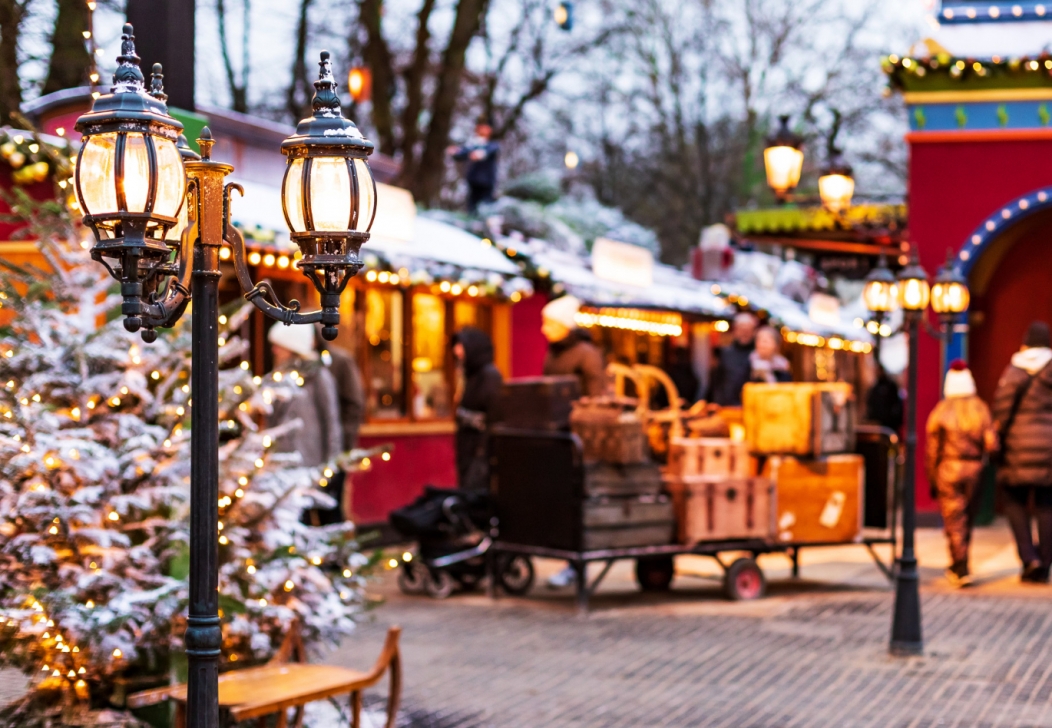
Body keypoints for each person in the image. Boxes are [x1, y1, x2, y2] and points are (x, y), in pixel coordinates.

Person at [925, 360, 995, 587]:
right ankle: (961, 562)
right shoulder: (981, 408)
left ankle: (960, 565)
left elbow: (932, 449)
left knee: (954, 520)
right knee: (967, 519)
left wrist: (932, 476)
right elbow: (992, 444)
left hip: (948, 468)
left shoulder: (941, 410)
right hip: (974, 469)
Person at [992, 321, 1052, 583]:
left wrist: (998, 442)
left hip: (1017, 449)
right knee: (1047, 505)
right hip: (1049, 451)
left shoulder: (1014, 372)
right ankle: (1046, 562)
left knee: (1015, 503)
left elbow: (1001, 412)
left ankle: (1029, 558)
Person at [266, 324, 342, 522]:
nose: (274, 351)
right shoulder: (277, 376)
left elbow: (331, 420)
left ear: (292, 347)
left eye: (279, 346)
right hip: (281, 463)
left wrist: (331, 465)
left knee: (316, 517)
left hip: (310, 461)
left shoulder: (319, 377)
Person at [452, 327, 504, 492]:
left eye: (461, 346)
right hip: (468, 446)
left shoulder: (489, 376)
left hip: (481, 449)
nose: (457, 351)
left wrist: (484, 450)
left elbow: (495, 415)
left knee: (476, 490)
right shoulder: (469, 376)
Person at [541, 295, 607, 398]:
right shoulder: (553, 352)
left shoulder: (587, 354)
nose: (544, 329)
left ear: (565, 325)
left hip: (579, 413)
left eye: (550, 324)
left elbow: (595, 396)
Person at [448, 116, 500, 213]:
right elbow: (462, 153)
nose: (481, 128)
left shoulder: (493, 144)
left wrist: (480, 154)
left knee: (486, 207)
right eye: (480, 126)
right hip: (474, 180)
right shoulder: (473, 143)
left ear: (490, 130)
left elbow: (488, 151)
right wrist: (455, 153)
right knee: (472, 207)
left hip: (487, 182)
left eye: (484, 126)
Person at [708, 312, 758, 406]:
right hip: (727, 407)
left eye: (748, 330)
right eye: (742, 329)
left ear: (753, 332)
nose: (744, 333)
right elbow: (716, 382)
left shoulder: (758, 355)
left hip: (751, 406)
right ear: (735, 331)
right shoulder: (725, 353)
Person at [867, 364, 904, 432]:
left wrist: (894, 417)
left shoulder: (890, 385)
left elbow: (896, 403)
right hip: (878, 422)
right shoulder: (875, 387)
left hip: (890, 423)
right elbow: (871, 403)